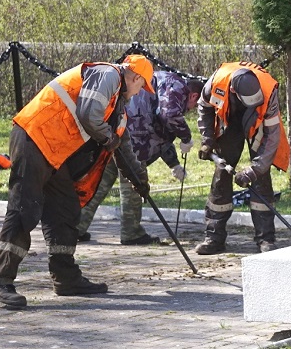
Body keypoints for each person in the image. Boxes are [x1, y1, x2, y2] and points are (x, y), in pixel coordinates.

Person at [0, 55, 153, 307]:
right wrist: (108, 138)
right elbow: (89, 114)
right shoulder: (107, 76)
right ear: (136, 77)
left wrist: (139, 181)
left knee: (65, 209)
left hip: (55, 152)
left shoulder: (116, 106)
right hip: (34, 136)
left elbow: (123, 148)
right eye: (142, 86)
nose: (140, 92)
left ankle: (66, 278)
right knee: (25, 208)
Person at [76, 70, 203, 245]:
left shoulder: (164, 81)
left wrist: (174, 164)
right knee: (134, 184)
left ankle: (75, 226)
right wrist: (186, 137)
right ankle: (131, 232)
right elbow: (169, 115)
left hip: (117, 129)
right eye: (194, 106)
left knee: (100, 183)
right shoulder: (178, 87)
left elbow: (160, 131)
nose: (190, 110)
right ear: (194, 96)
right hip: (135, 138)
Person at [194, 61, 290, 255]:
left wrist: (255, 169)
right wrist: (208, 140)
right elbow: (204, 107)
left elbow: (272, 136)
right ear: (233, 90)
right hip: (230, 118)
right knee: (222, 174)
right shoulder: (216, 82)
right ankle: (214, 238)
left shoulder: (268, 91)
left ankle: (266, 239)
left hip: (258, 121)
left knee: (261, 178)